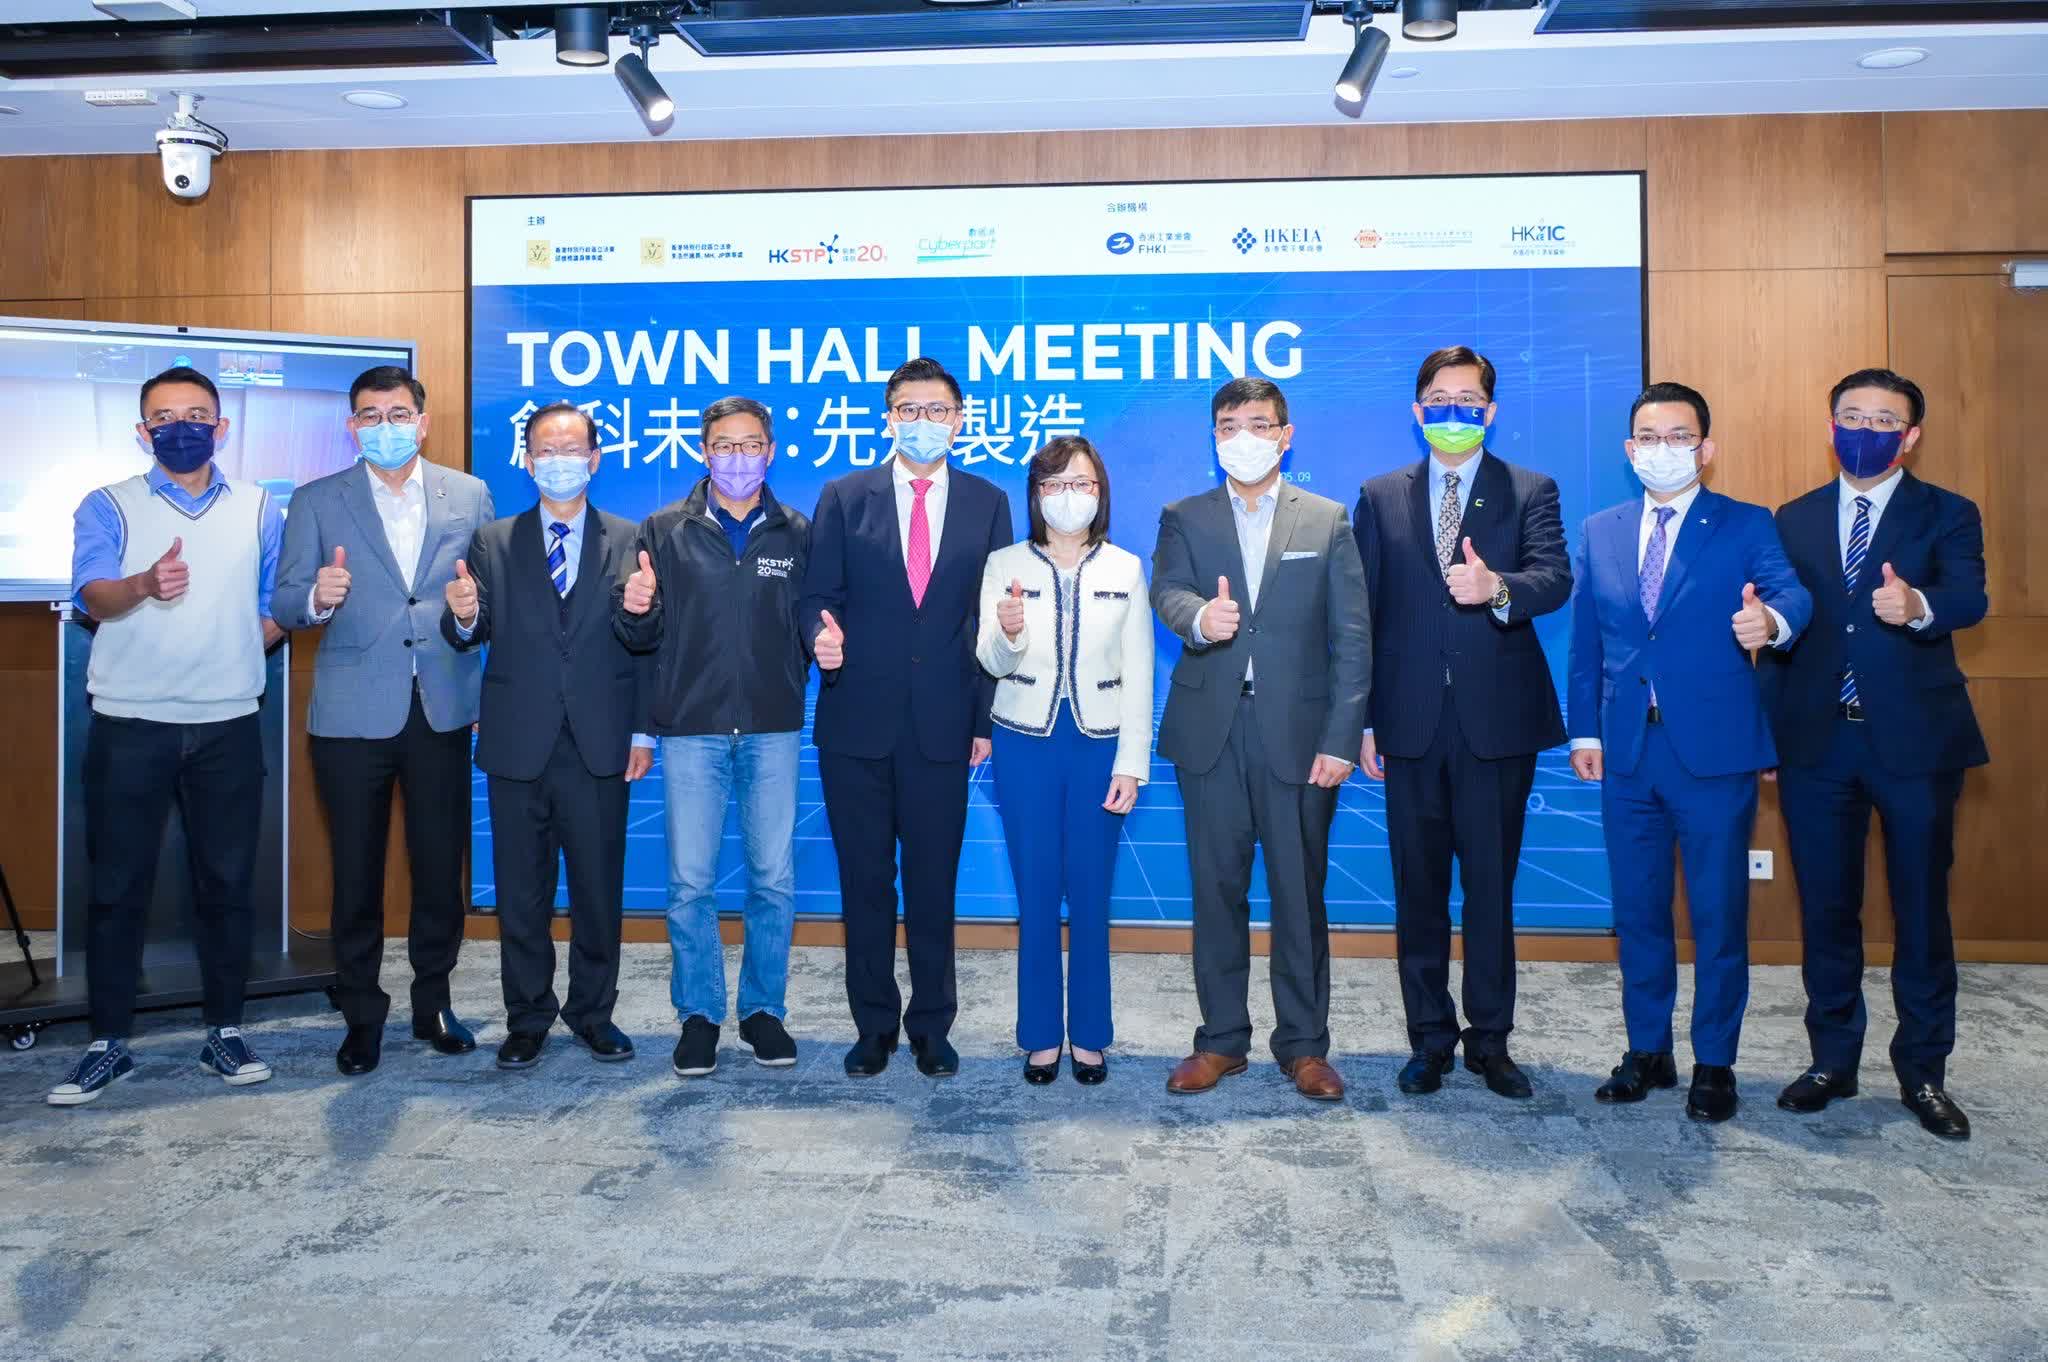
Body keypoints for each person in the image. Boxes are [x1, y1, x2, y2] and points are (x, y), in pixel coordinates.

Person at [1566, 381, 1811, 1123]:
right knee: (1639, 912)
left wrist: (1770, 622)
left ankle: (1715, 1061)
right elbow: (1588, 642)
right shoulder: (1601, 529)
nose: (1663, 449)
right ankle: (1648, 1051)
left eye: (1679, 436)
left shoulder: (1744, 523)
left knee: (1717, 913)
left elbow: (1792, 594)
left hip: (1713, 753)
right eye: (1649, 436)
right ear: (1629, 449)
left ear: (1705, 449)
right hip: (1627, 753)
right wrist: (1585, 731)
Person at [1761, 369, 1987, 1141]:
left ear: (1910, 436)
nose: (1865, 430)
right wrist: (1767, 734)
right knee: (1828, 907)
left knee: (1921, 909)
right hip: (1816, 742)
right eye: (1852, 416)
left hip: (1916, 743)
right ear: (1831, 426)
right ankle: (1833, 1061)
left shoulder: (1948, 512)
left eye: (1884, 420)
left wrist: (1919, 605)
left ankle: (1923, 1072)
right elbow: (1780, 633)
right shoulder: (1793, 517)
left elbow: (1971, 596)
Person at [49, 365, 283, 1105]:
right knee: (118, 887)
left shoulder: (259, 507)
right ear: (142, 431)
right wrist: (144, 585)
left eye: (197, 415)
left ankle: (225, 1030)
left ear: (222, 427)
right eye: (164, 417)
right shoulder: (107, 504)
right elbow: (93, 595)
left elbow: (274, 607)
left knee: (227, 885)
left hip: (227, 722)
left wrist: (235, 649)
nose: (181, 427)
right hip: (130, 722)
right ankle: (108, 1041)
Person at [1353, 346, 1572, 1101]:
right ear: (1418, 411)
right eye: (1441, 399)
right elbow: (1363, 612)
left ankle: (1491, 1039)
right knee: (1417, 890)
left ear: (1492, 410)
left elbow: (1554, 578)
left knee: (1489, 888)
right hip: (1408, 721)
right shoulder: (1381, 495)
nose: (1455, 411)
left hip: (1496, 722)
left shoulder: (1530, 489)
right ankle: (1429, 1039)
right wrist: (1365, 722)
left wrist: (1496, 588)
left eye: (1469, 400)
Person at [1150, 376, 1370, 1103]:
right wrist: (1197, 619)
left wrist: (1342, 739)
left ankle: (1304, 1047)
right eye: (1228, 425)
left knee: (1298, 894)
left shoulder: (1327, 520)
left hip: (1300, 738)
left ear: (1285, 434)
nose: (1242, 437)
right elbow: (1167, 591)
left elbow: (1353, 637)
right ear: (1214, 437)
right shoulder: (1184, 516)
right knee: (1216, 892)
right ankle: (1220, 1041)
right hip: (1211, 732)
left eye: (1257, 423)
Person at [273, 365, 493, 1076]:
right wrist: (317, 596)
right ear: (352, 426)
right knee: (356, 872)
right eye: (369, 416)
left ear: (422, 423)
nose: (385, 426)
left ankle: (434, 1003)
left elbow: (485, 600)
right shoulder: (316, 499)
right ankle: (362, 1015)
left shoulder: (468, 493)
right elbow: (283, 602)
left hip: (441, 707)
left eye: (397, 414)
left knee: (439, 868)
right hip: (350, 714)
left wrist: (470, 617)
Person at [798, 357, 1014, 1079]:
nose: (923, 422)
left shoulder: (987, 501)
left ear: (959, 419)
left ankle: (931, 1026)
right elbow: (815, 597)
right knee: (864, 883)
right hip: (855, 722)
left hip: (943, 724)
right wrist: (818, 637)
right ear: (889, 417)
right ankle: (873, 1026)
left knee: (932, 883)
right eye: (909, 410)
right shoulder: (844, 496)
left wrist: (983, 720)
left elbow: (990, 619)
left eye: (937, 410)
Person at [443, 402, 650, 1070]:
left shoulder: (631, 537)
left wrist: (644, 728)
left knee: (598, 890)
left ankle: (594, 1014)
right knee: (521, 893)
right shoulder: (493, 541)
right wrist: (464, 616)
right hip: (517, 740)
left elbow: (647, 639)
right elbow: (471, 630)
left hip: (599, 740)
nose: (560, 462)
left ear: (595, 459)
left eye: (572, 451)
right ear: (528, 462)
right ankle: (527, 1017)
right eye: (546, 452)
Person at [613, 396, 810, 1079]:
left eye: (751, 445)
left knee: (773, 880)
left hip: (772, 726)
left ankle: (763, 1012)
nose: (737, 457)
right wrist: (635, 609)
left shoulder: (796, 532)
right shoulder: (663, 529)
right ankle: (698, 1014)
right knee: (691, 882)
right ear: (704, 452)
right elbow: (639, 633)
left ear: (771, 451)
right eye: (724, 445)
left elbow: (812, 625)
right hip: (691, 728)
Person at [977, 436, 1153, 1086]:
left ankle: (1091, 1036)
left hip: (1100, 745)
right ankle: (1040, 1036)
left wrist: (1131, 763)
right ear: (1036, 495)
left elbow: (1140, 673)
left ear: (1099, 492)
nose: (1067, 496)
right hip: (1024, 742)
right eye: (1053, 485)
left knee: (1090, 891)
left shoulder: (1126, 568)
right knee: (1036, 891)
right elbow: (990, 660)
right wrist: (1009, 631)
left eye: (1080, 483)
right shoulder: (1004, 563)